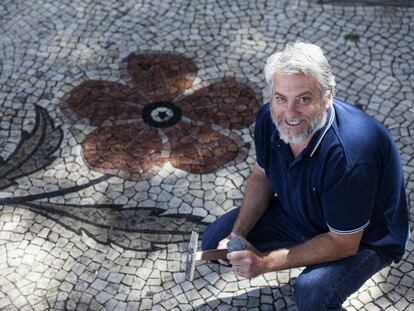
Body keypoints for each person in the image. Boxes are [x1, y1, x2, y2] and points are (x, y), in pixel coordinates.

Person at [201, 42, 410, 310]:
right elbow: (262, 175)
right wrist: (238, 235)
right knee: (214, 242)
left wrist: (264, 263)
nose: (289, 113)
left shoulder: (350, 158)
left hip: (365, 237)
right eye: (281, 98)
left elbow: (343, 243)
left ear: (327, 97)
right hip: (302, 212)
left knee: (312, 294)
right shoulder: (269, 118)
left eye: (303, 99)